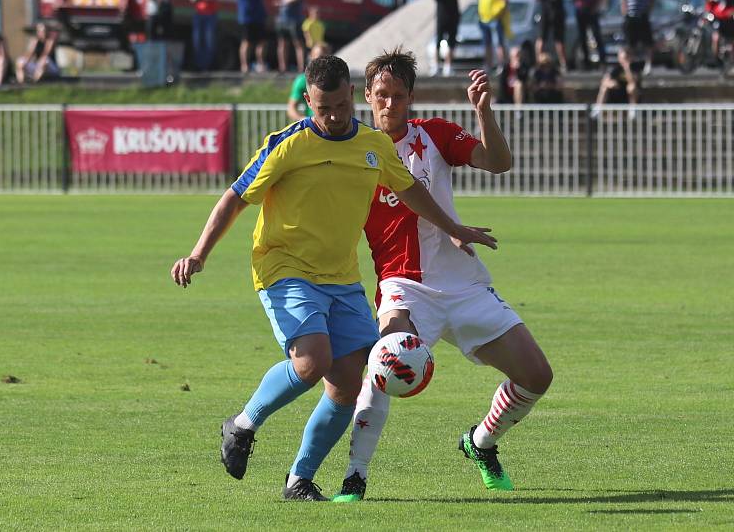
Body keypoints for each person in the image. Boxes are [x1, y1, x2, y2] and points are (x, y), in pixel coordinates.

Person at [170, 54, 499, 502]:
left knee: (347, 382)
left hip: (341, 276)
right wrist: (198, 254)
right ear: (308, 100)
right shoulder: (287, 144)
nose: (333, 116)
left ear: (352, 97)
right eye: (322, 108)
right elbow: (234, 198)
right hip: (284, 268)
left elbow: (411, 191)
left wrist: (454, 228)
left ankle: (299, 480)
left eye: (341, 106)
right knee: (312, 361)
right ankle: (243, 424)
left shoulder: (372, 144)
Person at [331, 48, 552, 503]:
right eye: (380, 95)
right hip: (403, 287)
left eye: (397, 95)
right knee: (384, 363)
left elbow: (498, 162)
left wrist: (484, 113)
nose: (388, 104)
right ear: (366, 98)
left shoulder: (432, 135)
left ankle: (481, 443)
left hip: (463, 283)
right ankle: (354, 477)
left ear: (410, 97)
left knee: (537, 376)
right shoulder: (352, 157)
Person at [286, 42, 329, 121]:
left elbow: (350, 106)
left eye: (325, 57)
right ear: (311, 57)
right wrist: (304, 120)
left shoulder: (338, 78)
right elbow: (291, 108)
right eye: (319, 57)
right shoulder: (302, 80)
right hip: (314, 127)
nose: (322, 61)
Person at [621, 0, 653, 75]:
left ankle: (648, 64)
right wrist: (625, 13)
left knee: (647, 43)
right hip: (630, 16)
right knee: (630, 44)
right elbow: (623, 1)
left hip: (642, 16)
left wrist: (647, 11)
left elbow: (652, 1)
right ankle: (631, 65)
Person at [477, 0, 509, 73]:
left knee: (499, 44)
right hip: (484, 19)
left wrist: (498, 12)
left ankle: (501, 65)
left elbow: (505, 1)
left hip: (495, 18)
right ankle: (488, 66)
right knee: (487, 44)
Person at [536, 0, 568, 72]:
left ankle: (563, 63)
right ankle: (539, 62)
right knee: (542, 39)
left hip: (555, 11)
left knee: (558, 40)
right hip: (548, 11)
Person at [573, 0, 606, 70]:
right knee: (583, 38)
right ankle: (586, 63)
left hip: (592, 10)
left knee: (597, 36)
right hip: (580, 10)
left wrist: (596, 8)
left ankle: (602, 61)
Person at [238, 0, 267, 72]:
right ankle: (245, 66)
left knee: (261, 43)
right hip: (247, 17)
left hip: (258, 17)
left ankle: (260, 65)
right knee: (246, 42)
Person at [432, 0, 460, 76]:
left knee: (451, 43)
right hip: (442, 16)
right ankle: (437, 66)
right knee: (438, 42)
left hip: (453, 17)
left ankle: (447, 66)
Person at [275, 0, 305, 73]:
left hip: (294, 21)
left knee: (298, 44)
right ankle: (283, 67)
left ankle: (301, 68)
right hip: (282, 20)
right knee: (282, 44)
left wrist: (283, 2)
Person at [191, 0, 217, 72]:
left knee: (209, 42)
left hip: (210, 15)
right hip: (198, 14)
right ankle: (199, 66)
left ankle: (207, 66)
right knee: (197, 41)